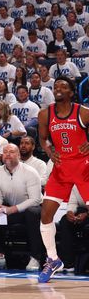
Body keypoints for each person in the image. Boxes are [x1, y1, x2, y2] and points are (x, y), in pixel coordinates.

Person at [37, 77, 89, 282]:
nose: (58, 89)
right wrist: (49, 151)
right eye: (56, 86)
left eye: (63, 86)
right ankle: (53, 259)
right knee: (45, 213)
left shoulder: (82, 112)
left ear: (71, 92)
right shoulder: (45, 114)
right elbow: (42, 138)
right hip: (61, 167)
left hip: (83, 166)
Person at [0, 144, 43, 271]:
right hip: (9, 210)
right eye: (5, 152)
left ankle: (36, 257)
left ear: (19, 155)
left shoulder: (30, 172)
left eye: (12, 152)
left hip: (31, 209)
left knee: (32, 212)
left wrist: (12, 209)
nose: (8, 154)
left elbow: (35, 199)